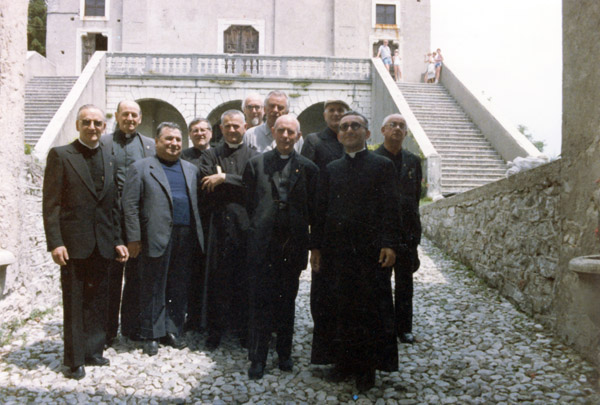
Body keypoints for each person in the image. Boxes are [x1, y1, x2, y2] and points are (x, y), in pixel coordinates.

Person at [310, 111, 400, 391]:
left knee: (369, 310)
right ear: (338, 136)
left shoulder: (383, 166)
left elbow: (391, 208)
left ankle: (366, 370)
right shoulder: (331, 169)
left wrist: (389, 243)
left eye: (355, 126)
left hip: (370, 253)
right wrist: (316, 247)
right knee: (338, 307)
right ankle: (342, 363)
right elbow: (320, 210)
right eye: (344, 127)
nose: (349, 130)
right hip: (336, 252)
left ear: (367, 134)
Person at [43, 104, 129, 380]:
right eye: (87, 122)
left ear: (104, 127)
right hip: (73, 244)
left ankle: (93, 351)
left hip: (102, 243)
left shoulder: (109, 156)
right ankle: (74, 360)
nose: (92, 127)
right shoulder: (61, 155)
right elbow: (51, 205)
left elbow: (113, 205)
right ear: (77, 125)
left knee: (98, 300)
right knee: (75, 301)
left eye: (97, 123)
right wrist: (55, 242)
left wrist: (117, 239)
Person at [243, 115, 319, 380]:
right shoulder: (256, 164)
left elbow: (314, 210)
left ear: (298, 136)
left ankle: (284, 353)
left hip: (292, 245)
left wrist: (313, 246)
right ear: (273, 132)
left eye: (291, 132)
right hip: (264, 245)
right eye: (281, 131)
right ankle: (258, 357)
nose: (286, 136)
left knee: (287, 301)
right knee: (261, 302)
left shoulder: (308, 168)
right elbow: (248, 204)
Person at [122, 122, 204, 356]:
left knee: (179, 284)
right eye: (168, 139)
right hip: (154, 235)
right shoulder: (141, 168)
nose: (174, 143)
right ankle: (151, 333)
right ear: (157, 141)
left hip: (185, 235)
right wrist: (133, 238)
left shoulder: (190, 169)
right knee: (153, 285)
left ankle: (172, 329)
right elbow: (129, 205)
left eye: (178, 139)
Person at [199, 110, 258, 350]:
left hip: (244, 226)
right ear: (221, 129)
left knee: (244, 277)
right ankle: (216, 330)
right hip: (218, 225)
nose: (232, 130)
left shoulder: (254, 155)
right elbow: (206, 182)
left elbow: (255, 185)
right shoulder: (210, 154)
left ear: (245, 127)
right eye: (227, 126)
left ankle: (242, 330)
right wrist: (237, 181)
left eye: (236, 126)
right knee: (217, 278)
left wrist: (224, 178)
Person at [101, 100, 155, 345]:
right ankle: (107, 331)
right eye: (125, 114)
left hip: (138, 220)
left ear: (140, 118)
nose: (130, 119)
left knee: (136, 277)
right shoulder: (104, 143)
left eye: (134, 115)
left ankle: (132, 327)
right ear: (117, 116)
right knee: (110, 277)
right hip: (110, 220)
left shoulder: (149, 145)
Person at [300, 99, 349, 366]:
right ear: (325, 114)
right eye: (332, 110)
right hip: (323, 216)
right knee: (321, 279)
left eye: (341, 110)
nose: (337, 114)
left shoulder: (349, 138)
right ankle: (322, 327)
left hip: (348, 222)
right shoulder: (314, 140)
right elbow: (305, 175)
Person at [374, 114, 422, 344]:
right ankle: (382, 326)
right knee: (380, 282)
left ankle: (404, 327)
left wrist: (415, 233)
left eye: (402, 126)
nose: (397, 128)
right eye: (392, 125)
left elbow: (415, 197)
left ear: (406, 133)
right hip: (380, 232)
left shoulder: (413, 161)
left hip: (406, 232)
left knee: (405, 282)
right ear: (383, 130)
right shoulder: (373, 160)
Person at [181, 118, 212, 332]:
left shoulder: (218, 154)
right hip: (191, 220)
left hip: (212, 220)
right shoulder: (183, 156)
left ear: (210, 132)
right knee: (192, 271)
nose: (199, 133)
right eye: (195, 130)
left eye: (203, 130)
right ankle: (192, 317)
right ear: (190, 134)